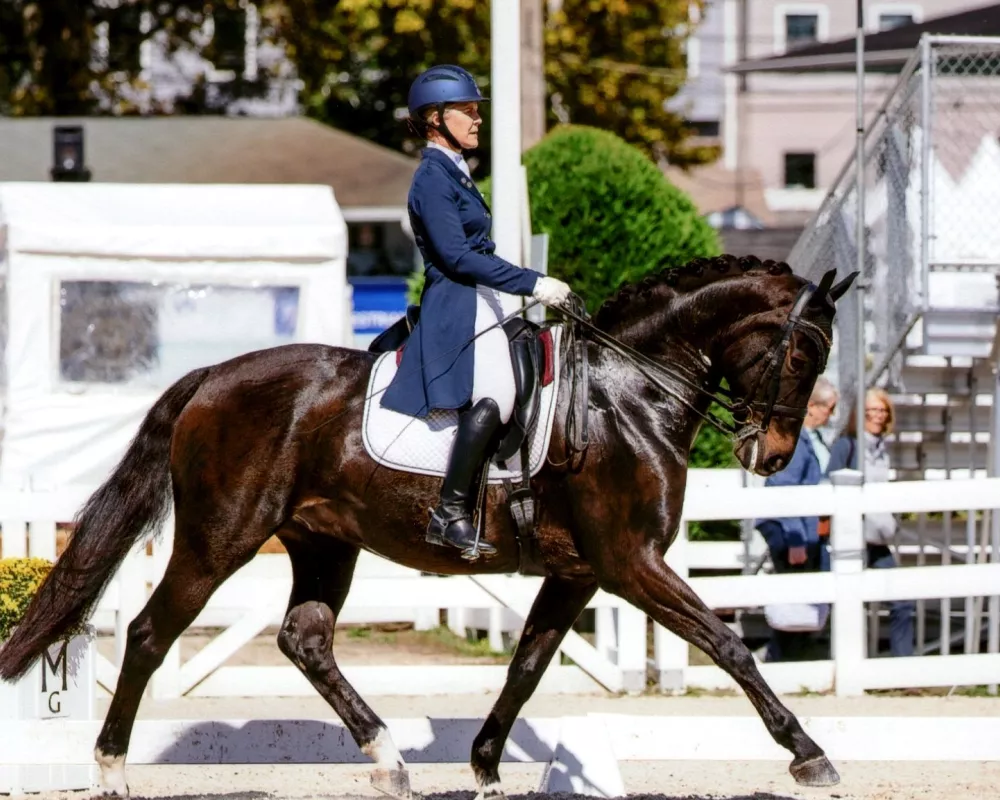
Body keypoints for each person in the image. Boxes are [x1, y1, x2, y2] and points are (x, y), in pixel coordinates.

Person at [380, 65, 573, 558]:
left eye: (475, 110)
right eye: (466, 110)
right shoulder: (431, 178)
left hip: (484, 300)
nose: (476, 119)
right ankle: (450, 512)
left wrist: (526, 287)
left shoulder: (455, 173)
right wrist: (535, 281)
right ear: (433, 118)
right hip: (457, 304)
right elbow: (459, 257)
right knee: (496, 395)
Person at [754, 376, 838, 662]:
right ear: (812, 407)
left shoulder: (812, 439)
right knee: (794, 597)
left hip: (808, 529)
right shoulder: (798, 442)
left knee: (803, 596)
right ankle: (780, 660)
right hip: (793, 531)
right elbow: (784, 491)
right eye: (829, 407)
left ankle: (791, 661)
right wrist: (796, 538)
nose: (831, 414)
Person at [827, 387, 915, 657]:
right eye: (872, 410)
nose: (878, 416)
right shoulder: (847, 446)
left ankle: (902, 668)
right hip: (852, 539)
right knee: (844, 604)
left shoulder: (882, 450)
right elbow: (828, 484)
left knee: (902, 601)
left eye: (882, 410)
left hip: (877, 540)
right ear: (859, 414)